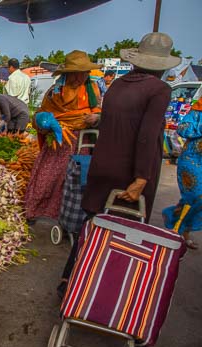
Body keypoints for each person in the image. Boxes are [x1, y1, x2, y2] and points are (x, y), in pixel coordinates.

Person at [57, 33, 181, 298]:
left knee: (93, 225)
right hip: (128, 170)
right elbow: (147, 136)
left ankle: (69, 283)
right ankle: (102, 293)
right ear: (161, 65)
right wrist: (141, 177)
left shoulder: (117, 84)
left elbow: (111, 122)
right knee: (124, 233)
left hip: (101, 165)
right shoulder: (159, 90)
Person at [24, 50, 102, 221]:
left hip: (82, 141)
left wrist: (95, 118)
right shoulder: (56, 91)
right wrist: (45, 122)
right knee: (47, 178)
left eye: (82, 74)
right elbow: (42, 113)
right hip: (58, 142)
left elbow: (100, 112)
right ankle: (32, 211)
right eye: (74, 74)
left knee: (74, 182)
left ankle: (68, 218)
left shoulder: (93, 89)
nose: (78, 78)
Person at [162, 100, 202, 250]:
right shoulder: (198, 109)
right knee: (197, 195)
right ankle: (177, 231)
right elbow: (183, 129)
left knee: (197, 200)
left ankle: (180, 226)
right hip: (191, 160)